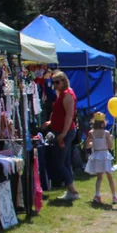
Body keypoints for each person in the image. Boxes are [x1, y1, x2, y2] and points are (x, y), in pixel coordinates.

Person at [50, 71, 81, 201]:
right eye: (53, 82)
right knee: (66, 161)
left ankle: (73, 190)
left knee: (60, 162)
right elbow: (59, 112)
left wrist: (63, 133)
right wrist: (51, 122)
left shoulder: (67, 95)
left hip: (65, 132)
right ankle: (71, 190)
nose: (55, 85)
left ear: (64, 81)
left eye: (57, 82)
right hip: (61, 130)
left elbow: (69, 116)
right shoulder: (61, 94)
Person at [84, 113, 117, 204]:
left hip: (96, 155)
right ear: (103, 123)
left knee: (99, 177)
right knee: (109, 177)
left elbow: (87, 145)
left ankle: (97, 195)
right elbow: (110, 146)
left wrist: (94, 144)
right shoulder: (106, 133)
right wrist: (110, 139)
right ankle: (114, 196)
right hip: (104, 155)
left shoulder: (91, 133)